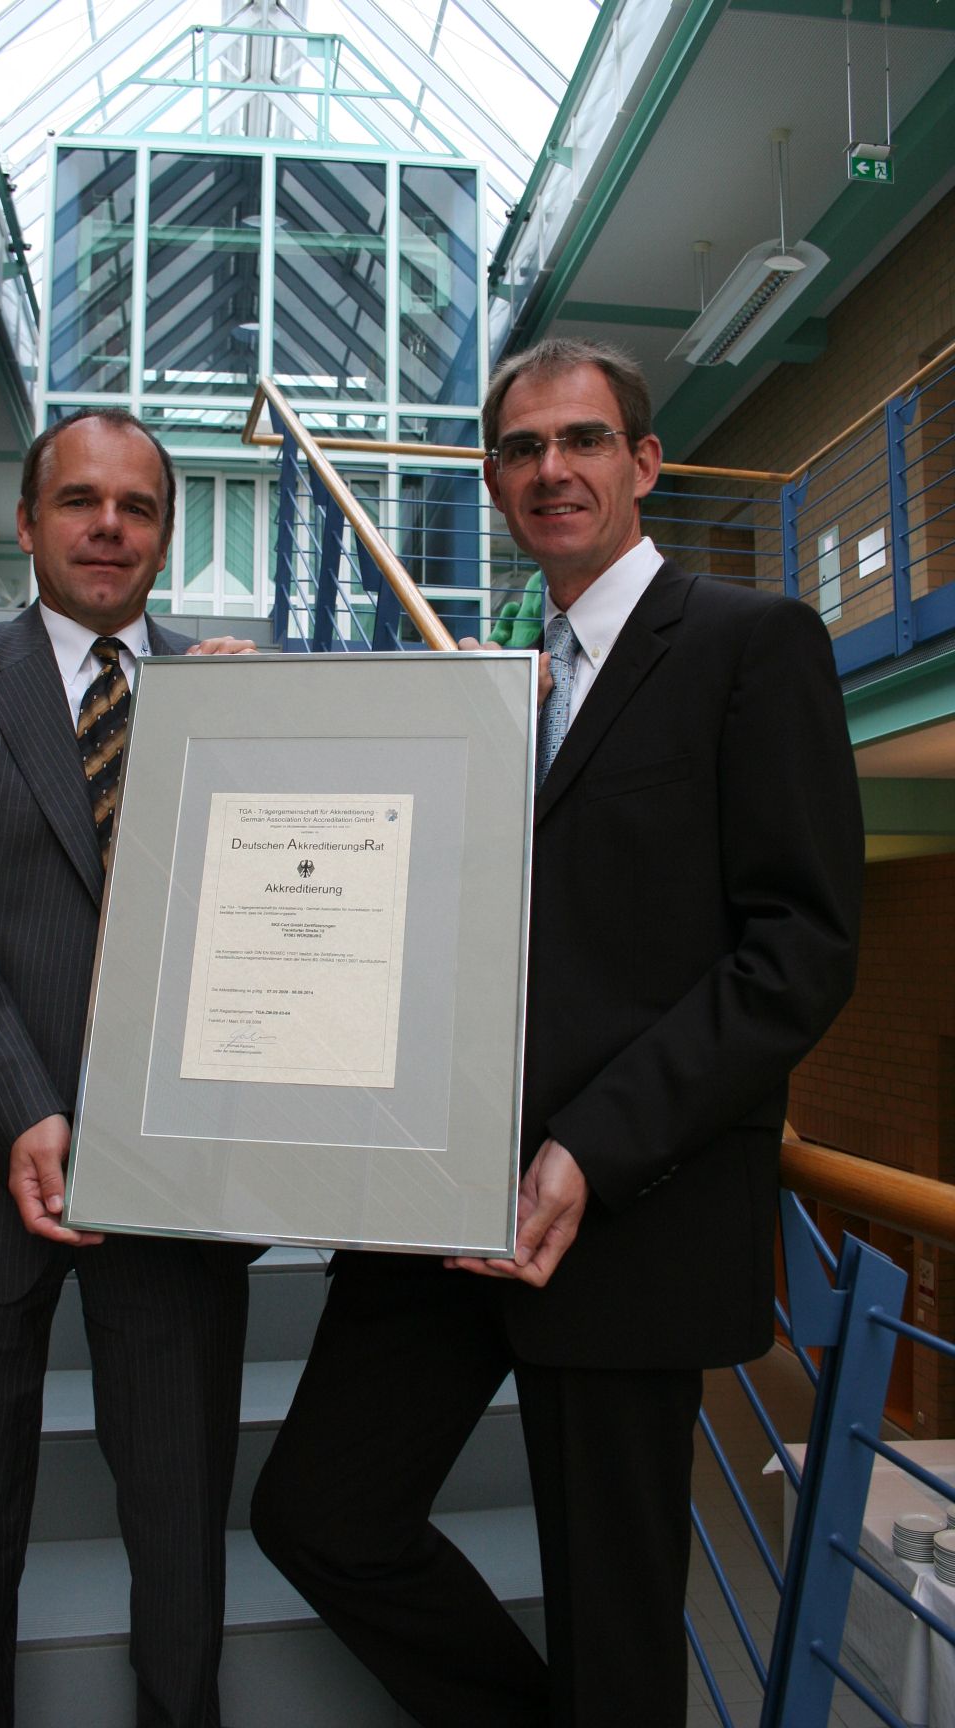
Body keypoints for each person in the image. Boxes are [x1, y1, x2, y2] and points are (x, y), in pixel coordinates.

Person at [250, 338, 864, 1725]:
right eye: (522, 449)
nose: (551, 469)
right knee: (320, 1513)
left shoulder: (750, 643)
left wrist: (594, 1146)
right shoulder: (500, 681)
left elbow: (799, 952)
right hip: (441, 1201)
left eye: (583, 440)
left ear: (643, 463)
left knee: (615, 1624)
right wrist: (243, 712)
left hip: (624, 1210)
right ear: (493, 481)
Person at [0, 407, 258, 1728]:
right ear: (29, 523)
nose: (108, 526)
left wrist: (268, 730)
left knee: (182, 1538)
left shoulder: (224, 695)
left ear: (165, 536)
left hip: (176, 1179)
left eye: (137, 507)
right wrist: (22, 1107)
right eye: (80, 501)